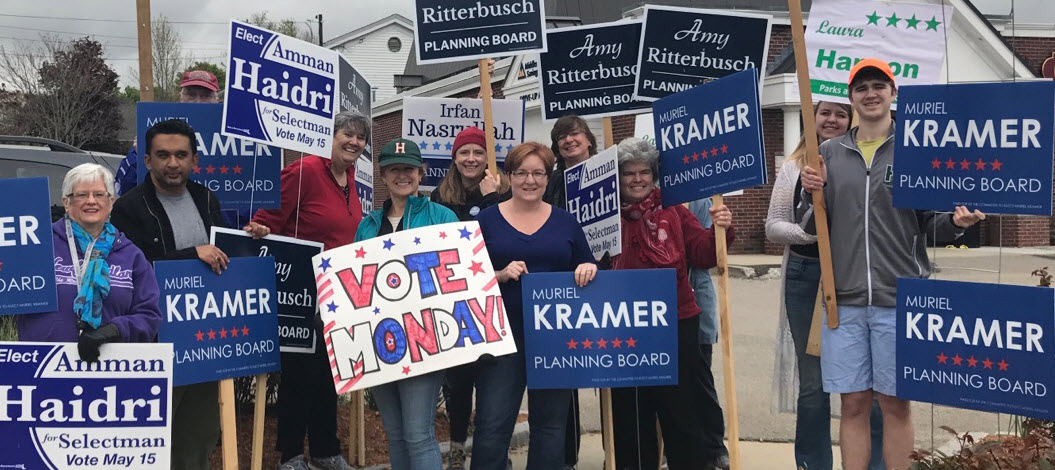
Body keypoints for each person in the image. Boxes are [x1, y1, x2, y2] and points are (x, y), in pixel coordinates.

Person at [798, 59, 985, 470]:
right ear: (851, 97)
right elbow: (811, 226)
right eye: (861, 87)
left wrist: (956, 224)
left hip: (900, 300)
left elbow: (930, 223)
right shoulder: (826, 154)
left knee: (896, 404)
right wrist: (813, 191)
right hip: (842, 302)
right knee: (852, 404)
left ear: (892, 93)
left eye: (878, 85)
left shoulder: (917, 151)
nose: (870, 93)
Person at [767, 102, 889, 470]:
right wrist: (811, 231)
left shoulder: (863, 164)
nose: (832, 120)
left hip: (858, 276)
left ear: (852, 118)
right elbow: (772, 226)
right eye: (825, 113)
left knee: (872, 384)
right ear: (812, 117)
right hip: (807, 275)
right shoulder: (794, 167)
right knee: (813, 384)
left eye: (840, 113)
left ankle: (876, 463)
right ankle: (812, 463)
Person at [246, 111, 369, 470]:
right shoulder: (304, 172)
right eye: (347, 134)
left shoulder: (350, 179)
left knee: (330, 375)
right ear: (328, 136)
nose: (354, 142)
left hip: (340, 294)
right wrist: (261, 229)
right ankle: (291, 454)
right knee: (299, 375)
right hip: (302, 293)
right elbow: (268, 218)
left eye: (360, 138)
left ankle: (326, 449)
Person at [110, 118, 230, 470]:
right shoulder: (129, 208)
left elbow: (220, 254)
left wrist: (251, 237)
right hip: (156, 338)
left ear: (195, 160)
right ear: (146, 160)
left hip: (204, 334)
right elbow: (127, 271)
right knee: (154, 428)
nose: (172, 163)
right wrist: (191, 254)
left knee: (201, 430)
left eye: (181, 155)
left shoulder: (207, 198)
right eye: (163, 155)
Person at [608, 137, 733, 470]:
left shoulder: (673, 210)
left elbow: (704, 253)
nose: (637, 179)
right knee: (631, 411)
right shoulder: (603, 216)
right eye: (629, 173)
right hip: (622, 322)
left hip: (675, 320)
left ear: (653, 175)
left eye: (644, 172)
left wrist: (721, 229)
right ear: (617, 178)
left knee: (680, 408)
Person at [475, 142, 598, 470]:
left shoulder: (565, 222)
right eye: (522, 173)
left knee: (550, 429)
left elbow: (585, 262)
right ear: (509, 176)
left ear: (548, 177)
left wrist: (588, 269)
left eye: (538, 173)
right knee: (491, 428)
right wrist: (499, 274)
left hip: (555, 339)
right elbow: (464, 277)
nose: (530, 180)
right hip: (502, 336)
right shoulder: (487, 220)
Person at [354, 138, 459, 470]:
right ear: (383, 175)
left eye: (409, 169)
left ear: (421, 173)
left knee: (418, 435)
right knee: (395, 434)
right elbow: (356, 285)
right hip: (379, 341)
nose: (403, 176)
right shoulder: (367, 224)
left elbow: (458, 274)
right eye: (395, 169)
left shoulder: (442, 216)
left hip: (425, 340)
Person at [17, 164, 161, 359]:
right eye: (82, 195)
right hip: (44, 365)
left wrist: (114, 330)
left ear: (111, 202)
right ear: (66, 203)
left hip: (110, 367)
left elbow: (149, 316)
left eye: (99, 195)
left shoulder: (131, 255)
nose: (91, 201)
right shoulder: (39, 244)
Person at [429, 126, 509, 470]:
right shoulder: (439, 197)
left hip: (496, 298)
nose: (471, 159)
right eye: (465, 152)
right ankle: (458, 448)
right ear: (455, 158)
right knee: (458, 384)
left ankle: (494, 451)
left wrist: (490, 198)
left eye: (478, 152)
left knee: (493, 386)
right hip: (455, 301)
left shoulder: (504, 192)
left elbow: (502, 236)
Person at [542, 114, 598, 469]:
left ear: (588, 138)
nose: (568, 140)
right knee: (567, 372)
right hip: (566, 281)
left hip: (606, 275)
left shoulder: (612, 172)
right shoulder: (552, 182)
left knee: (616, 371)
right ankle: (567, 457)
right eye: (561, 136)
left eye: (574, 133)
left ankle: (625, 454)